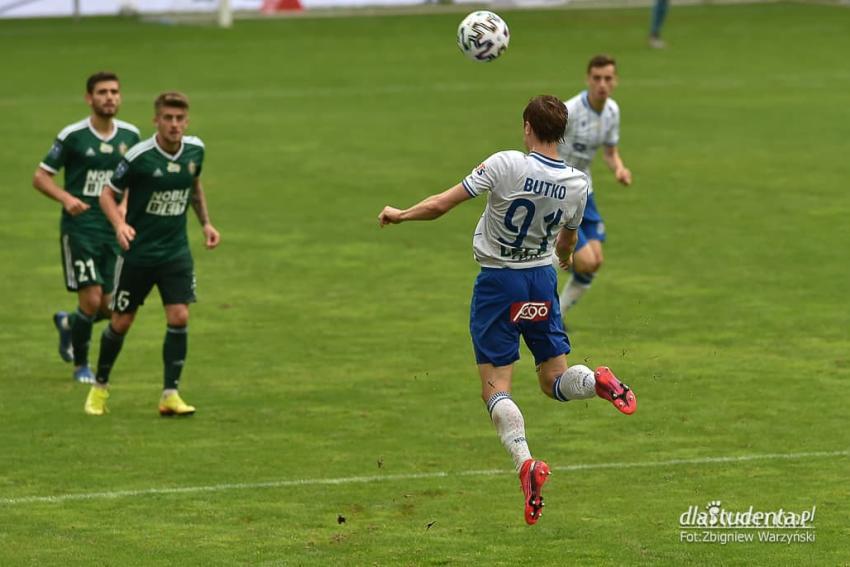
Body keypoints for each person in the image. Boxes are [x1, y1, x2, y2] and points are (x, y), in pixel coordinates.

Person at [378, 95, 636, 525]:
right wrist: (564, 259)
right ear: (563, 132)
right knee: (555, 379)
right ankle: (598, 381)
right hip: (542, 281)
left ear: (527, 127)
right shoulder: (577, 183)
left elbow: (442, 204)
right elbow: (568, 243)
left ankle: (525, 463)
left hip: (499, 284)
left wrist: (401, 215)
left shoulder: (505, 164)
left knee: (495, 387)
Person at [84, 91, 221, 417]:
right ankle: (100, 386)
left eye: (179, 119)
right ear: (156, 120)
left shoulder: (195, 150)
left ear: (187, 121)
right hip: (138, 254)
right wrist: (119, 224)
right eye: (168, 118)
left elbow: (194, 184)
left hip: (175, 252)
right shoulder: (138, 156)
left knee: (180, 316)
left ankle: (170, 394)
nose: (174, 125)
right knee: (122, 321)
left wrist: (206, 223)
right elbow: (106, 194)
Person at [33, 72, 141, 383]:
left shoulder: (131, 136)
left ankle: (69, 324)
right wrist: (67, 198)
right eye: (103, 92)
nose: (110, 97)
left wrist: (124, 205)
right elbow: (40, 177)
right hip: (80, 229)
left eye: (115, 92)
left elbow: (134, 176)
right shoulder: (73, 136)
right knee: (92, 300)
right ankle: (82, 366)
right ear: (89, 98)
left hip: (115, 230)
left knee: (111, 308)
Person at [556, 55, 632, 317]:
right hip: (562, 193)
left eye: (608, 78)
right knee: (585, 260)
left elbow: (610, 153)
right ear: (588, 79)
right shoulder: (570, 112)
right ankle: (541, 255)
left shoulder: (612, 110)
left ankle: (558, 313)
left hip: (585, 191)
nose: (602, 84)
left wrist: (619, 169)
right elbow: (538, 142)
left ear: (615, 81)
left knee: (594, 263)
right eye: (597, 78)